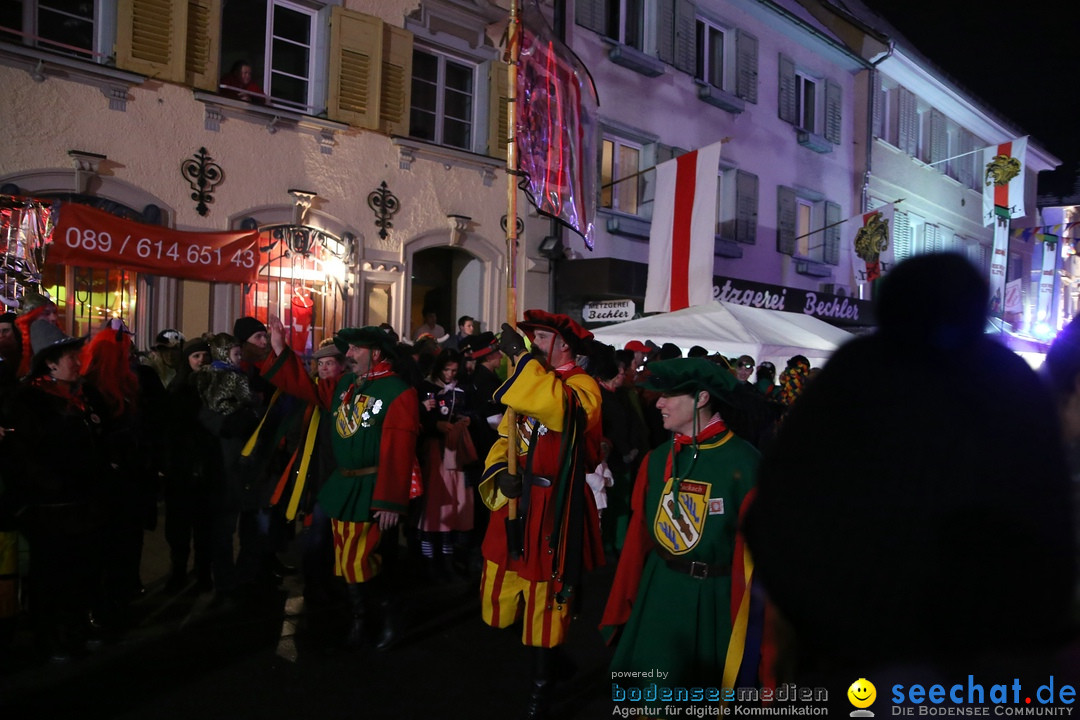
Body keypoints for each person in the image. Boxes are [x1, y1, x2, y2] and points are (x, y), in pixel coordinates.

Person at [743, 254, 1078, 696]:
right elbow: (1045, 516)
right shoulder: (1007, 380)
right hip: (986, 657)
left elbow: (783, 503)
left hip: (850, 644)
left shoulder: (854, 375)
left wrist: (811, 616)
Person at [599, 358, 763, 706]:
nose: (657, 402)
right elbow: (638, 539)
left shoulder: (746, 464)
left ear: (702, 398)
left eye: (669, 395)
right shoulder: (657, 459)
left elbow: (761, 559)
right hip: (658, 593)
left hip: (715, 602)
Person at [260, 318, 419, 650]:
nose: (350, 353)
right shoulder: (347, 383)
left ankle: (389, 614)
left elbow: (399, 450)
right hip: (343, 487)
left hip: (372, 489)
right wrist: (279, 348)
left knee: (363, 561)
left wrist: (389, 501)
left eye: (357, 348)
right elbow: (306, 388)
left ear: (376, 353)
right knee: (347, 560)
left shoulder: (398, 392)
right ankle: (362, 618)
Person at [478, 310, 604, 719]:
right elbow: (505, 437)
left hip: (556, 507)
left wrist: (524, 361)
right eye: (529, 338)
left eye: (541, 338)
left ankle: (542, 689)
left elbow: (564, 413)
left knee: (545, 602)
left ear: (565, 344)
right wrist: (501, 472)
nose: (533, 344)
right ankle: (552, 660)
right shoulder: (529, 379)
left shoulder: (583, 386)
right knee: (502, 595)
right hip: (520, 503)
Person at [3, 319, 108, 661]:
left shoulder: (79, 397)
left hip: (80, 503)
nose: (78, 363)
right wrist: (52, 485)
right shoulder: (30, 400)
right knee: (50, 574)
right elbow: (24, 455)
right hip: (49, 507)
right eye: (71, 357)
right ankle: (49, 638)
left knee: (79, 569)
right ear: (50, 362)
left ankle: (75, 628)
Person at [416, 349, 474, 579]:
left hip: (454, 452)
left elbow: (471, 409)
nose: (450, 375)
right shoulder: (425, 387)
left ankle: (447, 557)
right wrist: (435, 425)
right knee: (433, 504)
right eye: (447, 370)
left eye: (454, 370)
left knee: (454, 503)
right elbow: (417, 417)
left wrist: (467, 418)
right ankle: (429, 559)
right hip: (433, 451)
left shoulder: (462, 388)